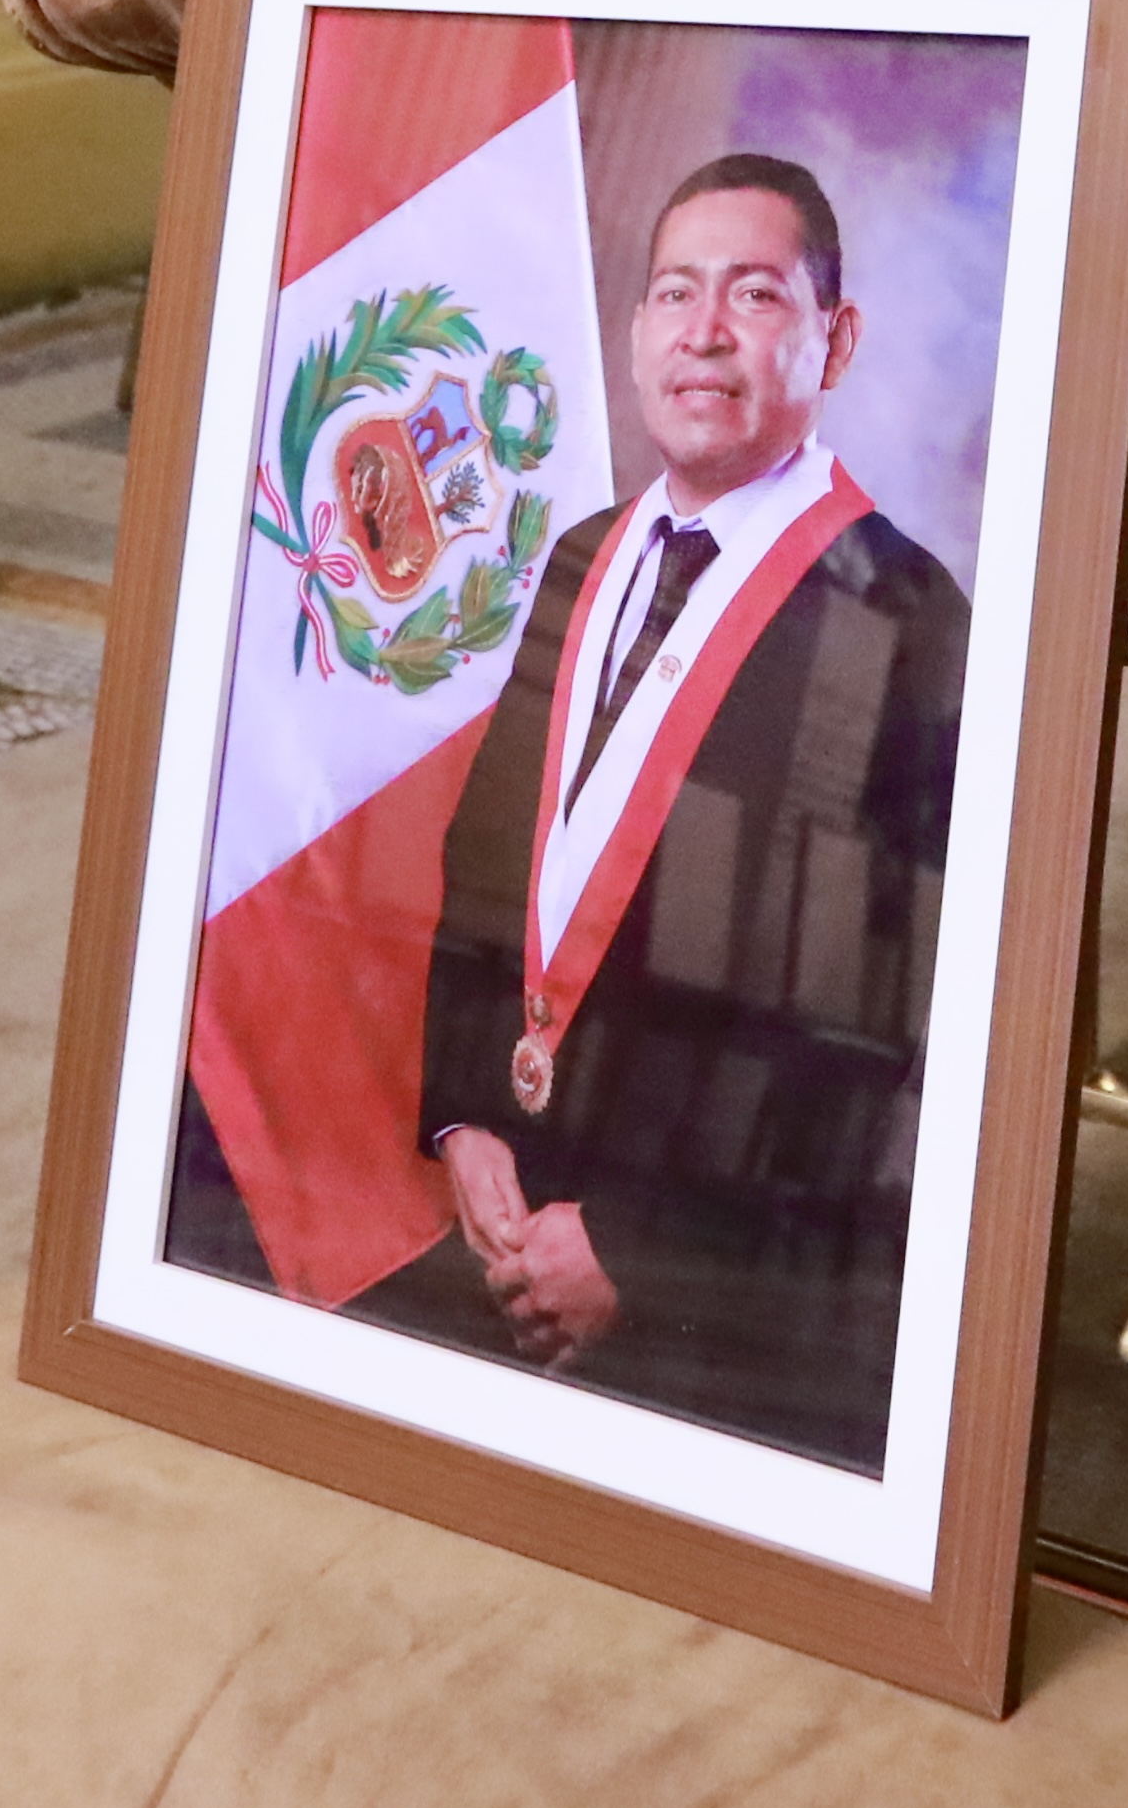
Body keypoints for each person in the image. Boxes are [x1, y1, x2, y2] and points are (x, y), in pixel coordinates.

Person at [360, 153, 965, 1470]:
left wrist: (637, 1244)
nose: (701, 329)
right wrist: (467, 1118)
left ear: (833, 336)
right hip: (508, 1204)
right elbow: (494, 862)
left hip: (709, 1279)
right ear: (634, 330)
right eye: (673, 291)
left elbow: (888, 1032)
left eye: (752, 293)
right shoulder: (581, 555)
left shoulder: (906, 621)